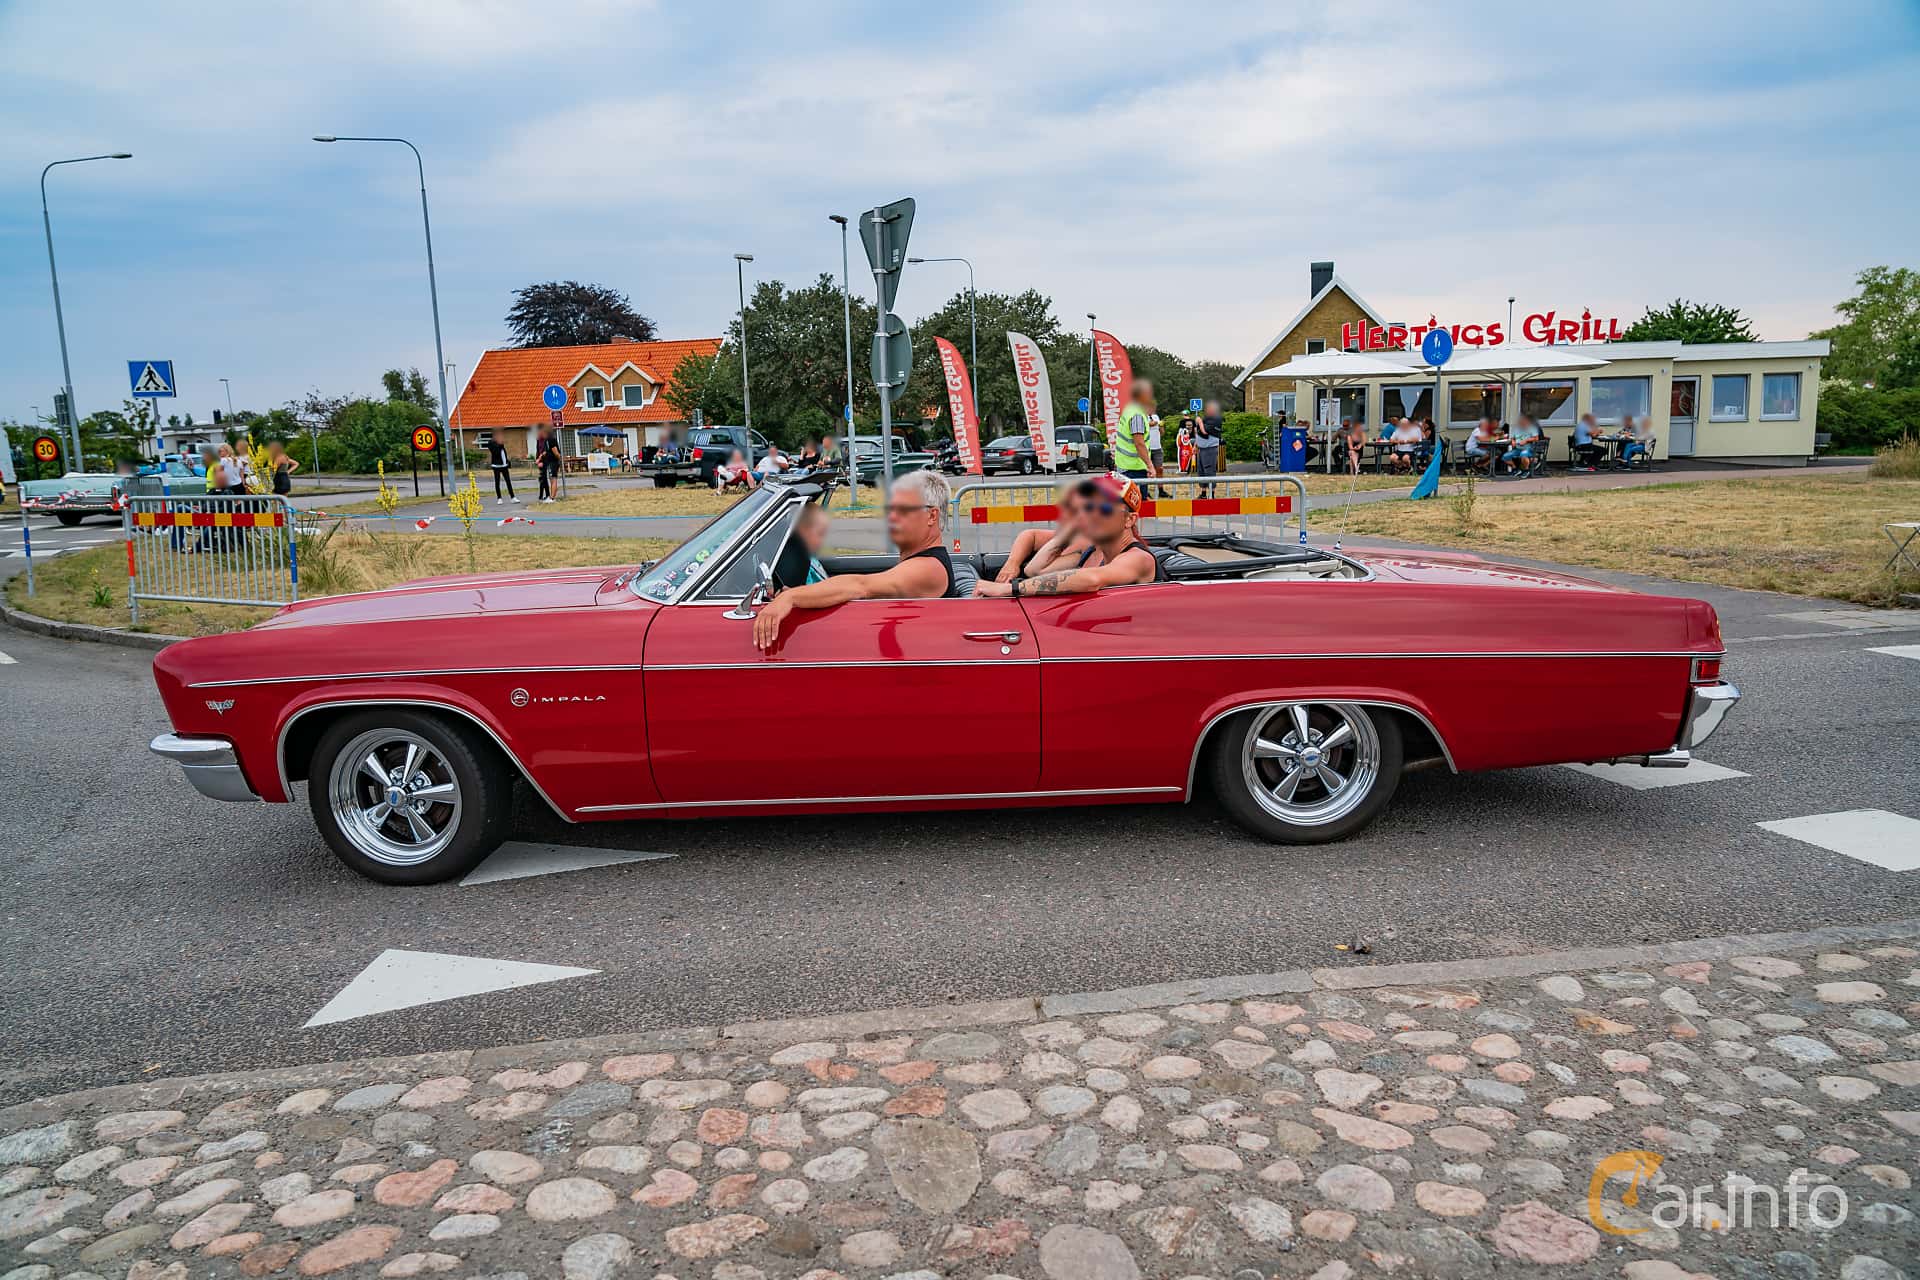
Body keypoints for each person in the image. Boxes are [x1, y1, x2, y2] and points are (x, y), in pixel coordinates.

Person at [752, 470, 960, 650]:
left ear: (932, 516)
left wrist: (790, 598)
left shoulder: (929, 568)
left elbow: (861, 586)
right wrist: (803, 594)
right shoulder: (919, 561)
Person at [974, 473, 1161, 598]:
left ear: (1129, 520)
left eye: (1104, 508)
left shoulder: (1139, 558)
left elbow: (1092, 580)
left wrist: (1010, 589)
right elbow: (1035, 570)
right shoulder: (1091, 549)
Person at [996, 484, 1095, 583]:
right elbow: (1031, 536)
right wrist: (1012, 564)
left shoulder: (1087, 549)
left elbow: (1034, 571)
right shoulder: (1079, 537)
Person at [1112, 379, 1156, 479]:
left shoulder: (1129, 409)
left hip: (1126, 465)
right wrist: (1150, 465)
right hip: (1133, 468)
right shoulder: (1137, 415)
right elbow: (1139, 443)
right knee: (1138, 495)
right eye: (1149, 394)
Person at [794, 501, 831, 583]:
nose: (823, 540)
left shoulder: (811, 559)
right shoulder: (800, 567)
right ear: (803, 530)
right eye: (820, 533)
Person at [1192, 399, 1223, 489]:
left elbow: (1205, 431)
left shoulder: (1217, 419)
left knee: (1209, 471)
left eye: (1210, 408)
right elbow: (1198, 433)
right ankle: (1203, 493)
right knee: (1201, 472)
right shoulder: (1205, 419)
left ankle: (1211, 493)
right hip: (1201, 449)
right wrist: (1195, 446)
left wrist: (1199, 422)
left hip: (1210, 449)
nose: (1207, 410)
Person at [485, 435, 518, 503]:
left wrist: (506, 461)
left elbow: (503, 453)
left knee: (508, 481)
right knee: (497, 482)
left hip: (504, 465)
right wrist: (500, 445)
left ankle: (513, 497)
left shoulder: (500, 444)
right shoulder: (491, 443)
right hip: (496, 466)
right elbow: (496, 452)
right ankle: (499, 498)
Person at [538, 433, 562, 503]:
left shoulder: (551, 439)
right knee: (551, 479)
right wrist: (540, 456)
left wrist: (559, 459)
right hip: (549, 462)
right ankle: (551, 497)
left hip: (553, 462)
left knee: (553, 479)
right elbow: (546, 451)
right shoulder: (546, 440)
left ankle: (552, 498)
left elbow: (555, 452)